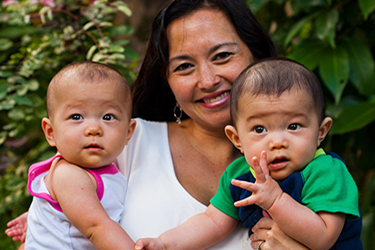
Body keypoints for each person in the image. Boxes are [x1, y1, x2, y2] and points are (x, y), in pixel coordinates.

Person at [6, 1, 326, 249]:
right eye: (184, 66)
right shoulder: (120, 141)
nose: (208, 80)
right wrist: (41, 216)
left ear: (256, 55)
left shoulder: (302, 159)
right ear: (168, 80)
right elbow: (54, 223)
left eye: (223, 56)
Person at [134, 58, 362, 250]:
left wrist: (276, 201)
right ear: (237, 139)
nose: (278, 142)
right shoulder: (240, 175)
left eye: (293, 126)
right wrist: (164, 243)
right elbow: (212, 221)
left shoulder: (325, 171)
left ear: (321, 132)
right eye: (260, 129)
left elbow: (323, 237)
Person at [24, 61, 136, 249]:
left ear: (128, 133)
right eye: (77, 117)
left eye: (108, 117)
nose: (93, 129)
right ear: (51, 132)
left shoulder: (110, 168)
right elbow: (97, 227)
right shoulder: (68, 174)